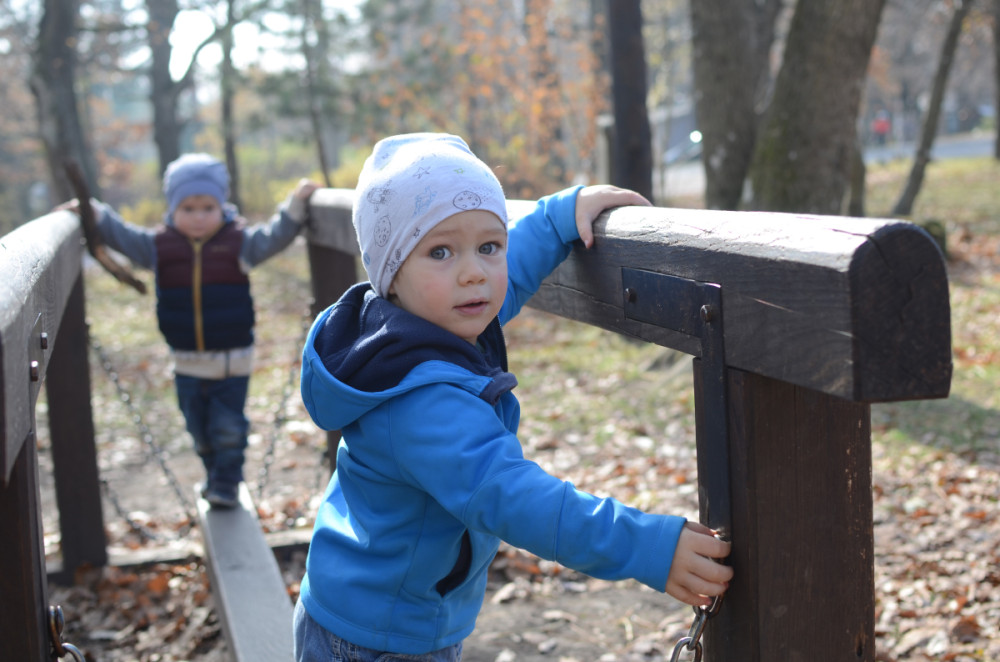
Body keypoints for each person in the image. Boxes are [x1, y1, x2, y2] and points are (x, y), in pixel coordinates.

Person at [294, 133, 733, 661]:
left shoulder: (415, 330)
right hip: (376, 642)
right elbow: (517, 500)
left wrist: (558, 217)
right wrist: (649, 547)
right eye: (440, 250)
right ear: (391, 276)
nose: (474, 270)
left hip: (370, 611)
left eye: (488, 245)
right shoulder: (423, 403)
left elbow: (513, 271)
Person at [64, 153, 320, 508]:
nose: (198, 217)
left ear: (222, 206)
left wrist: (295, 205)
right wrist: (92, 212)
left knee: (228, 429)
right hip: (186, 362)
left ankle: (227, 484)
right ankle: (214, 472)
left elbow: (274, 237)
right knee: (199, 431)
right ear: (172, 210)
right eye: (188, 208)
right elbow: (121, 235)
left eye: (207, 207)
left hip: (232, 361)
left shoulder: (238, 243)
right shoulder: (159, 247)